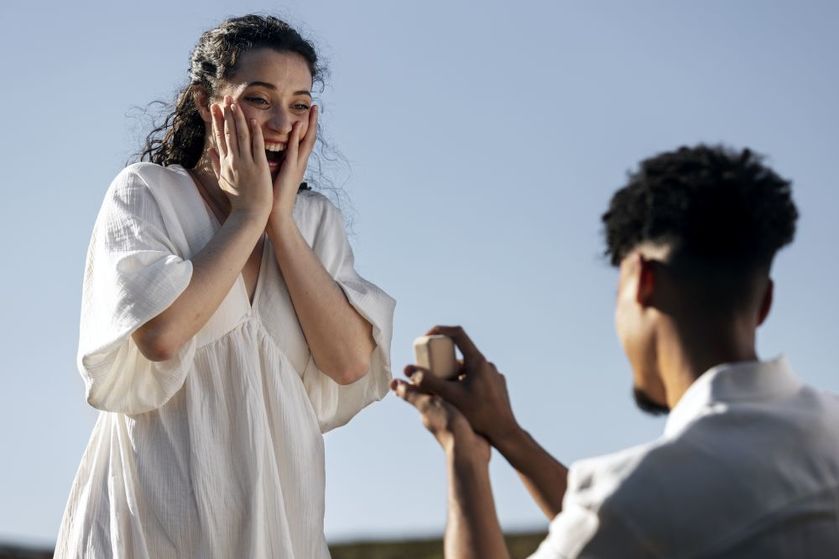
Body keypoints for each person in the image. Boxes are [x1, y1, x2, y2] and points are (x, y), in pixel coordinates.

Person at [55, 15, 395, 559]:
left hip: (281, 523)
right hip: (155, 518)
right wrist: (248, 215)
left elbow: (352, 362)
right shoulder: (148, 193)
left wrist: (279, 223)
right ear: (203, 103)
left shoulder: (314, 222)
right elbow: (161, 336)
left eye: (300, 104)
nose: (283, 121)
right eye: (260, 99)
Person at [393, 145, 839, 558]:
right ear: (764, 303)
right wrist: (509, 436)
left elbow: (627, 517)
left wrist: (463, 451)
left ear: (642, 281)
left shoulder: (635, 501)